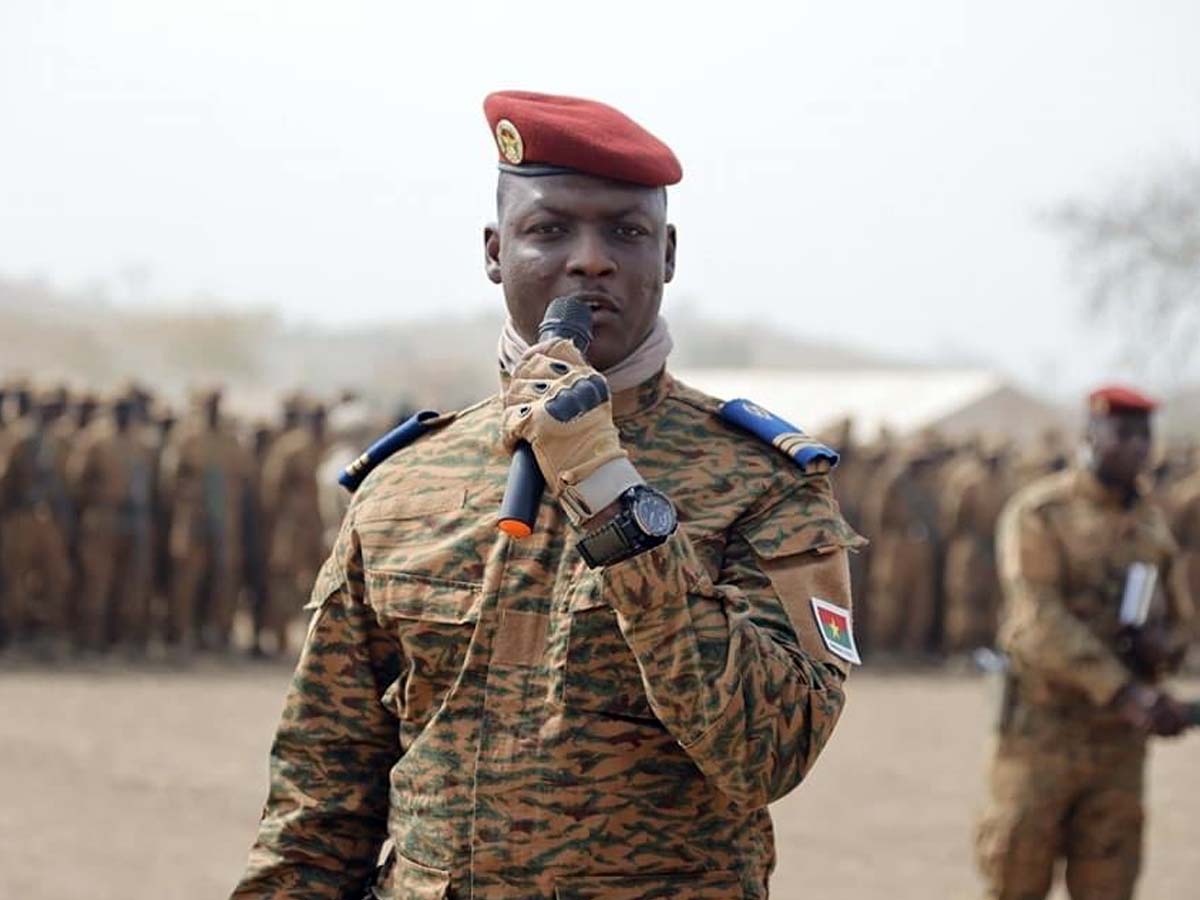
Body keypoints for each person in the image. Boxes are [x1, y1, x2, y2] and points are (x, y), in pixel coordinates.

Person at [233, 90, 864, 900]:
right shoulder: (401, 486)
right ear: (495, 251)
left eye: (626, 233)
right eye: (550, 229)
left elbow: (768, 752)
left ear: (667, 255)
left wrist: (609, 487)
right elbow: (320, 796)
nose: (591, 259)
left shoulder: (766, 484)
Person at [975, 385, 1194, 900]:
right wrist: (1124, 690)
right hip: (1042, 735)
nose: (1139, 447)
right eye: (1124, 433)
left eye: (1145, 435)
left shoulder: (1151, 526)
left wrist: (1163, 648)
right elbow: (1038, 620)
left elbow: (1181, 619)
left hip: (1118, 746)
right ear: (1091, 435)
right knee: (1015, 880)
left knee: (1109, 886)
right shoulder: (1041, 513)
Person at [66, 391, 155, 654]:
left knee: (130, 582)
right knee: (97, 580)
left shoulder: (140, 444)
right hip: (103, 516)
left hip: (135, 518)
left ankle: (122, 638)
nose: (124, 415)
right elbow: (77, 481)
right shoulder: (94, 441)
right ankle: (92, 639)